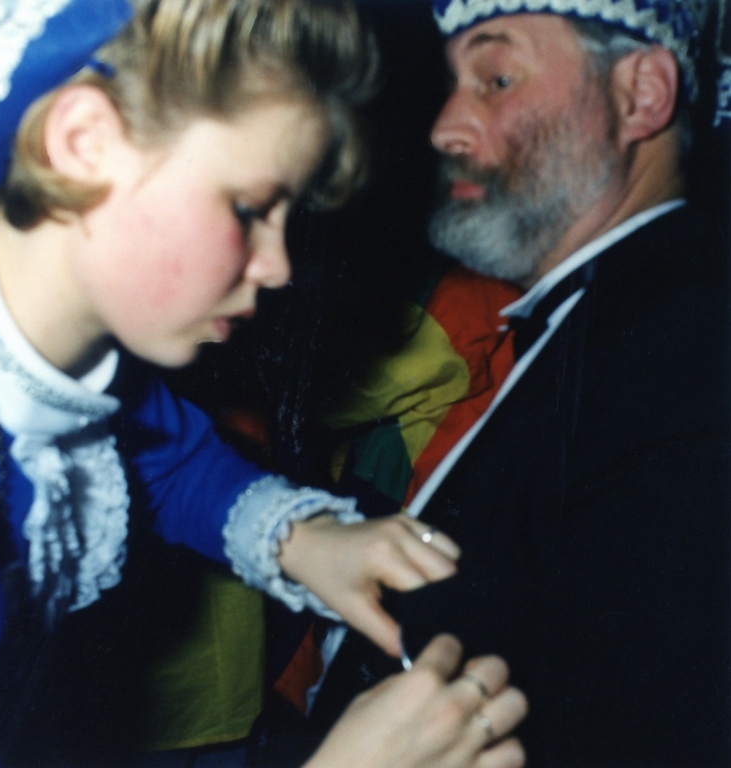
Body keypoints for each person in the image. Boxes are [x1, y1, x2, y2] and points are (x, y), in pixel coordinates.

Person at [0, 1, 534, 766]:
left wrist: (304, 540)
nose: (277, 267)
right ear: (83, 142)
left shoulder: (64, 357)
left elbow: (159, 460)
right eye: (248, 207)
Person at [307, 1, 731, 766]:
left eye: (496, 79)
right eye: (450, 85)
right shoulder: (615, 319)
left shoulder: (687, 358)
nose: (444, 128)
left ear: (640, 95)